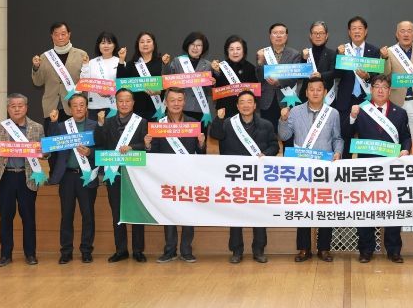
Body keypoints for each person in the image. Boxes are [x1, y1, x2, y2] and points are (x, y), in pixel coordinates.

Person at [346, 74, 412, 263]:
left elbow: (405, 137)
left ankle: (394, 250)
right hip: (367, 169)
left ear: (389, 91)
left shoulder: (400, 112)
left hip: (391, 169)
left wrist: (406, 149)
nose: (381, 90)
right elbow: (347, 134)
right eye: (377, 86)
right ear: (371, 89)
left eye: (384, 87)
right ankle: (366, 249)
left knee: (392, 208)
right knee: (366, 208)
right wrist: (352, 117)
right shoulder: (361, 110)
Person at [278, 77, 343, 262]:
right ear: (306, 92)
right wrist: (283, 119)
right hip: (303, 168)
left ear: (325, 92)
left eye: (319, 89)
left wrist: (338, 152)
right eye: (311, 89)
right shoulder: (295, 111)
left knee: (326, 208)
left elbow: (338, 138)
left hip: (325, 168)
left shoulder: (333, 113)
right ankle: (304, 248)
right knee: (303, 207)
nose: (315, 92)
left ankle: (324, 248)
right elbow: (284, 135)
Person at [209, 90, 279, 263]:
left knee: (259, 213)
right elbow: (215, 135)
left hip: (257, 177)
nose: (246, 105)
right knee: (236, 214)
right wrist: (218, 119)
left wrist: (265, 154)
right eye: (242, 102)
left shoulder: (266, 125)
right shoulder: (227, 123)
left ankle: (259, 250)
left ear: (255, 106)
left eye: (249, 102)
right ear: (237, 105)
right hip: (234, 177)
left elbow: (274, 146)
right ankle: (236, 250)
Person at [0, 94, 45, 267]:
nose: (17, 109)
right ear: (8, 109)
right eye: (13, 106)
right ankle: (5, 255)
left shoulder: (37, 127)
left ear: (26, 107)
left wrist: (42, 150)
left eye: (20, 105)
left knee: (29, 218)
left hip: (27, 177)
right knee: (5, 217)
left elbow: (45, 154)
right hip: (6, 177)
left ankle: (30, 254)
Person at [145, 87, 206, 263]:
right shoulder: (158, 125)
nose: (176, 103)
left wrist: (201, 144)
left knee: (188, 213)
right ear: (166, 102)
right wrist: (148, 145)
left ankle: (186, 250)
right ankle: (170, 250)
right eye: (172, 100)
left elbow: (201, 155)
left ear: (184, 102)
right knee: (168, 213)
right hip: (166, 177)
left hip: (188, 176)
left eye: (180, 100)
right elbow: (153, 155)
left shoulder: (194, 123)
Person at [94, 88, 149, 263]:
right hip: (113, 172)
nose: (124, 104)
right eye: (121, 101)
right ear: (116, 103)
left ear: (133, 103)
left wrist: (133, 147)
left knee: (136, 211)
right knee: (117, 212)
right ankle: (121, 249)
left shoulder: (142, 122)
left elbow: (148, 146)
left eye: (127, 101)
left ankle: (138, 250)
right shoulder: (107, 122)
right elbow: (99, 142)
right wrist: (100, 124)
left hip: (135, 173)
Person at [47, 94, 99, 264]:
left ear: (86, 107)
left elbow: (102, 148)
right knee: (67, 215)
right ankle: (66, 251)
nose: (78, 108)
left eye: (82, 105)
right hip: (67, 177)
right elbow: (50, 145)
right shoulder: (62, 126)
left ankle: (86, 250)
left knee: (88, 215)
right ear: (70, 108)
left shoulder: (94, 126)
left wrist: (90, 152)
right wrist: (53, 122)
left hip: (87, 175)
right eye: (75, 105)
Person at [334, 16, 381, 159]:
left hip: (366, 99)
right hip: (345, 100)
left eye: (360, 28)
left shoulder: (374, 51)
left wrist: (367, 76)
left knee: (367, 135)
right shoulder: (342, 50)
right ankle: (344, 166)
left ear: (366, 31)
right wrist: (340, 56)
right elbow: (337, 74)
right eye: (353, 29)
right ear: (349, 32)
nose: (357, 31)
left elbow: (378, 77)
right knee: (345, 135)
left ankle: (364, 166)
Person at [31, 22, 87, 135]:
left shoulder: (81, 55)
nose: (60, 37)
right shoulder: (44, 57)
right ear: (52, 36)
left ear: (69, 34)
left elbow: (86, 81)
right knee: (52, 141)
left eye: (63, 34)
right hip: (51, 106)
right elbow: (37, 82)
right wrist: (36, 67)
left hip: (73, 107)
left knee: (73, 141)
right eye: (56, 34)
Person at [381, 21, 413, 137]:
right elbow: (384, 74)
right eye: (402, 31)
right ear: (397, 34)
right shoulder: (389, 52)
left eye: (409, 31)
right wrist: (384, 58)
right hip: (396, 101)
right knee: (394, 137)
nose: (406, 34)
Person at [255, 23, 302, 142]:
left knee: (288, 135)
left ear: (286, 36)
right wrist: (260, 61)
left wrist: (279, 82)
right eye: (275, 33)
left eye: (281, 33)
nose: (278, 35)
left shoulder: (295, 54)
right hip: (267, 100)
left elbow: (295, 77)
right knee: (267, 136)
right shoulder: (263, 53)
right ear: (270, 36)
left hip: (287, 99)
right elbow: (259, 77)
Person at [163, 31, 214, 132]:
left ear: (203, 48)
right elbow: (167, 82)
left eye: (199, 45)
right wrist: (166, 65)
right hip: (179, 108)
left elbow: (209, 91)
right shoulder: (177, 61)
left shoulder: (208, 65)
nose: (195, 48)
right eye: (192, 44)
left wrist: (212, 83)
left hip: (200, 109)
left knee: (199, 139)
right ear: (187, 45)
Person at [116, 31, 171, 120]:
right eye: (142, 42)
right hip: (136, 110)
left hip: (158, 110)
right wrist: (121, 60)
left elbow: (169, 85)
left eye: (148, 41)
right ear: (137, 45)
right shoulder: (132, 64)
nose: (145, 44)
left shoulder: (161, 62)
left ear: (154, 44)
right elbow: (120, 83)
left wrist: (159, 92)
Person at [210, 35, 258, 119]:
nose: (235, 52)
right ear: (227, 51)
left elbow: (255, 93)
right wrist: (215, 74)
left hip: (245, 112)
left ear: (244, 51)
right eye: (231, 49)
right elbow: (214, 88)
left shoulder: (251, 68)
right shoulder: (219, 67)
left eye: (238, 49)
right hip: (224, 111)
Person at [80, 31, 120, 120]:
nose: (106, 46)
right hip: (95, 106)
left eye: (109, 43)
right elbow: (84, 82)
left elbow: (123, 84)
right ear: (98, 45)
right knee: (95, 129)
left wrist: (111, 91)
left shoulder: (120, 62)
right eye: (103, 43)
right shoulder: (92, 62)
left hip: (114, 106)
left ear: (114, 45)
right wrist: (85, 65)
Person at [299, 21, 337, 100]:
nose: (318, 36)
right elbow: (299, 76)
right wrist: (304, 60)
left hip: (327, 98)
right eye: (315, 33)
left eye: (321, 33)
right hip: (306, 98)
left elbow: (335, 72)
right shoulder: (305, 53)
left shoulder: (332, 54)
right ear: (310, 36)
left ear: (326, 36)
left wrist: (321, 75)